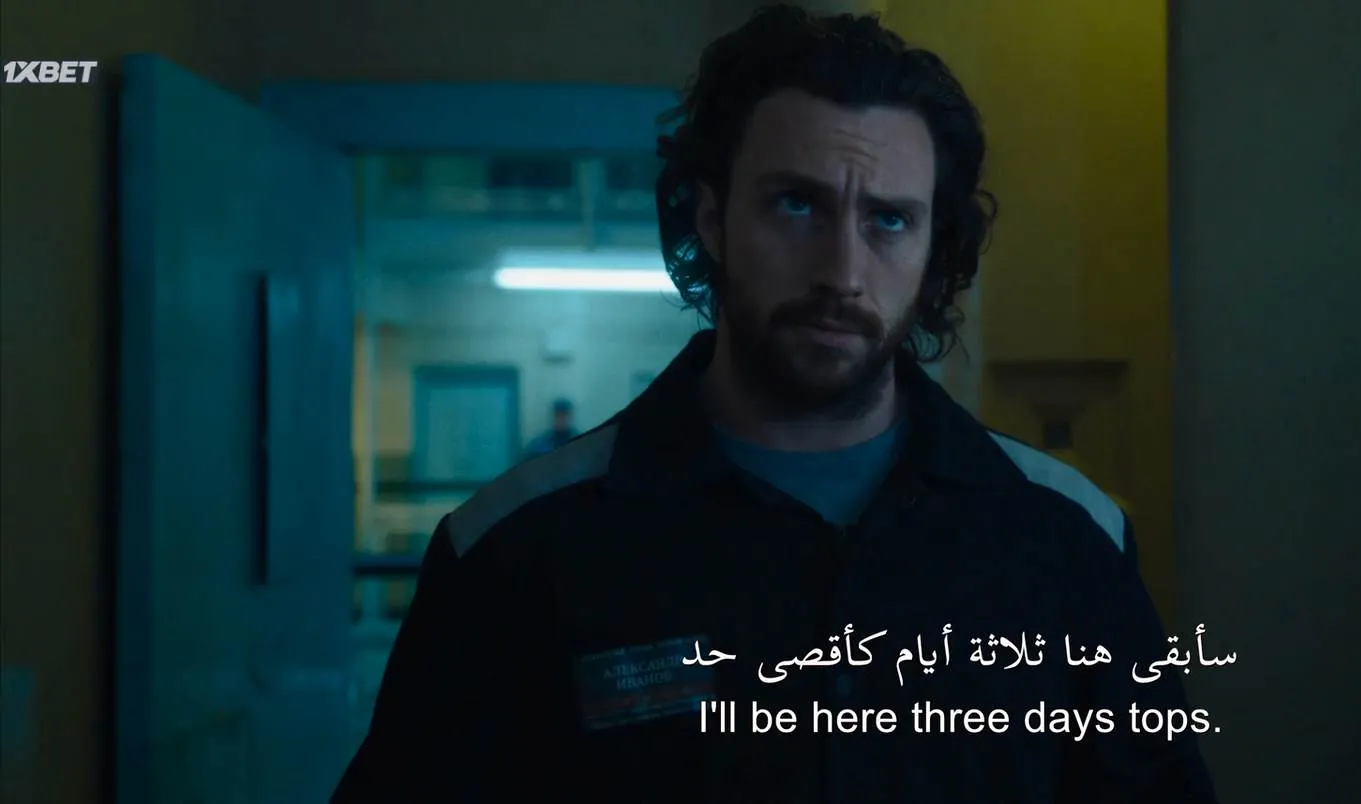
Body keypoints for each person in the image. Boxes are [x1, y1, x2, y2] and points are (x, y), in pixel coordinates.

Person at [333, 6, 1217, 802]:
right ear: (712, 220)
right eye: (797, 205)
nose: (842, 272)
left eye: (889, 220)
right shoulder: (519, 549)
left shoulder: (1066, 538)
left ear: (934, 254)